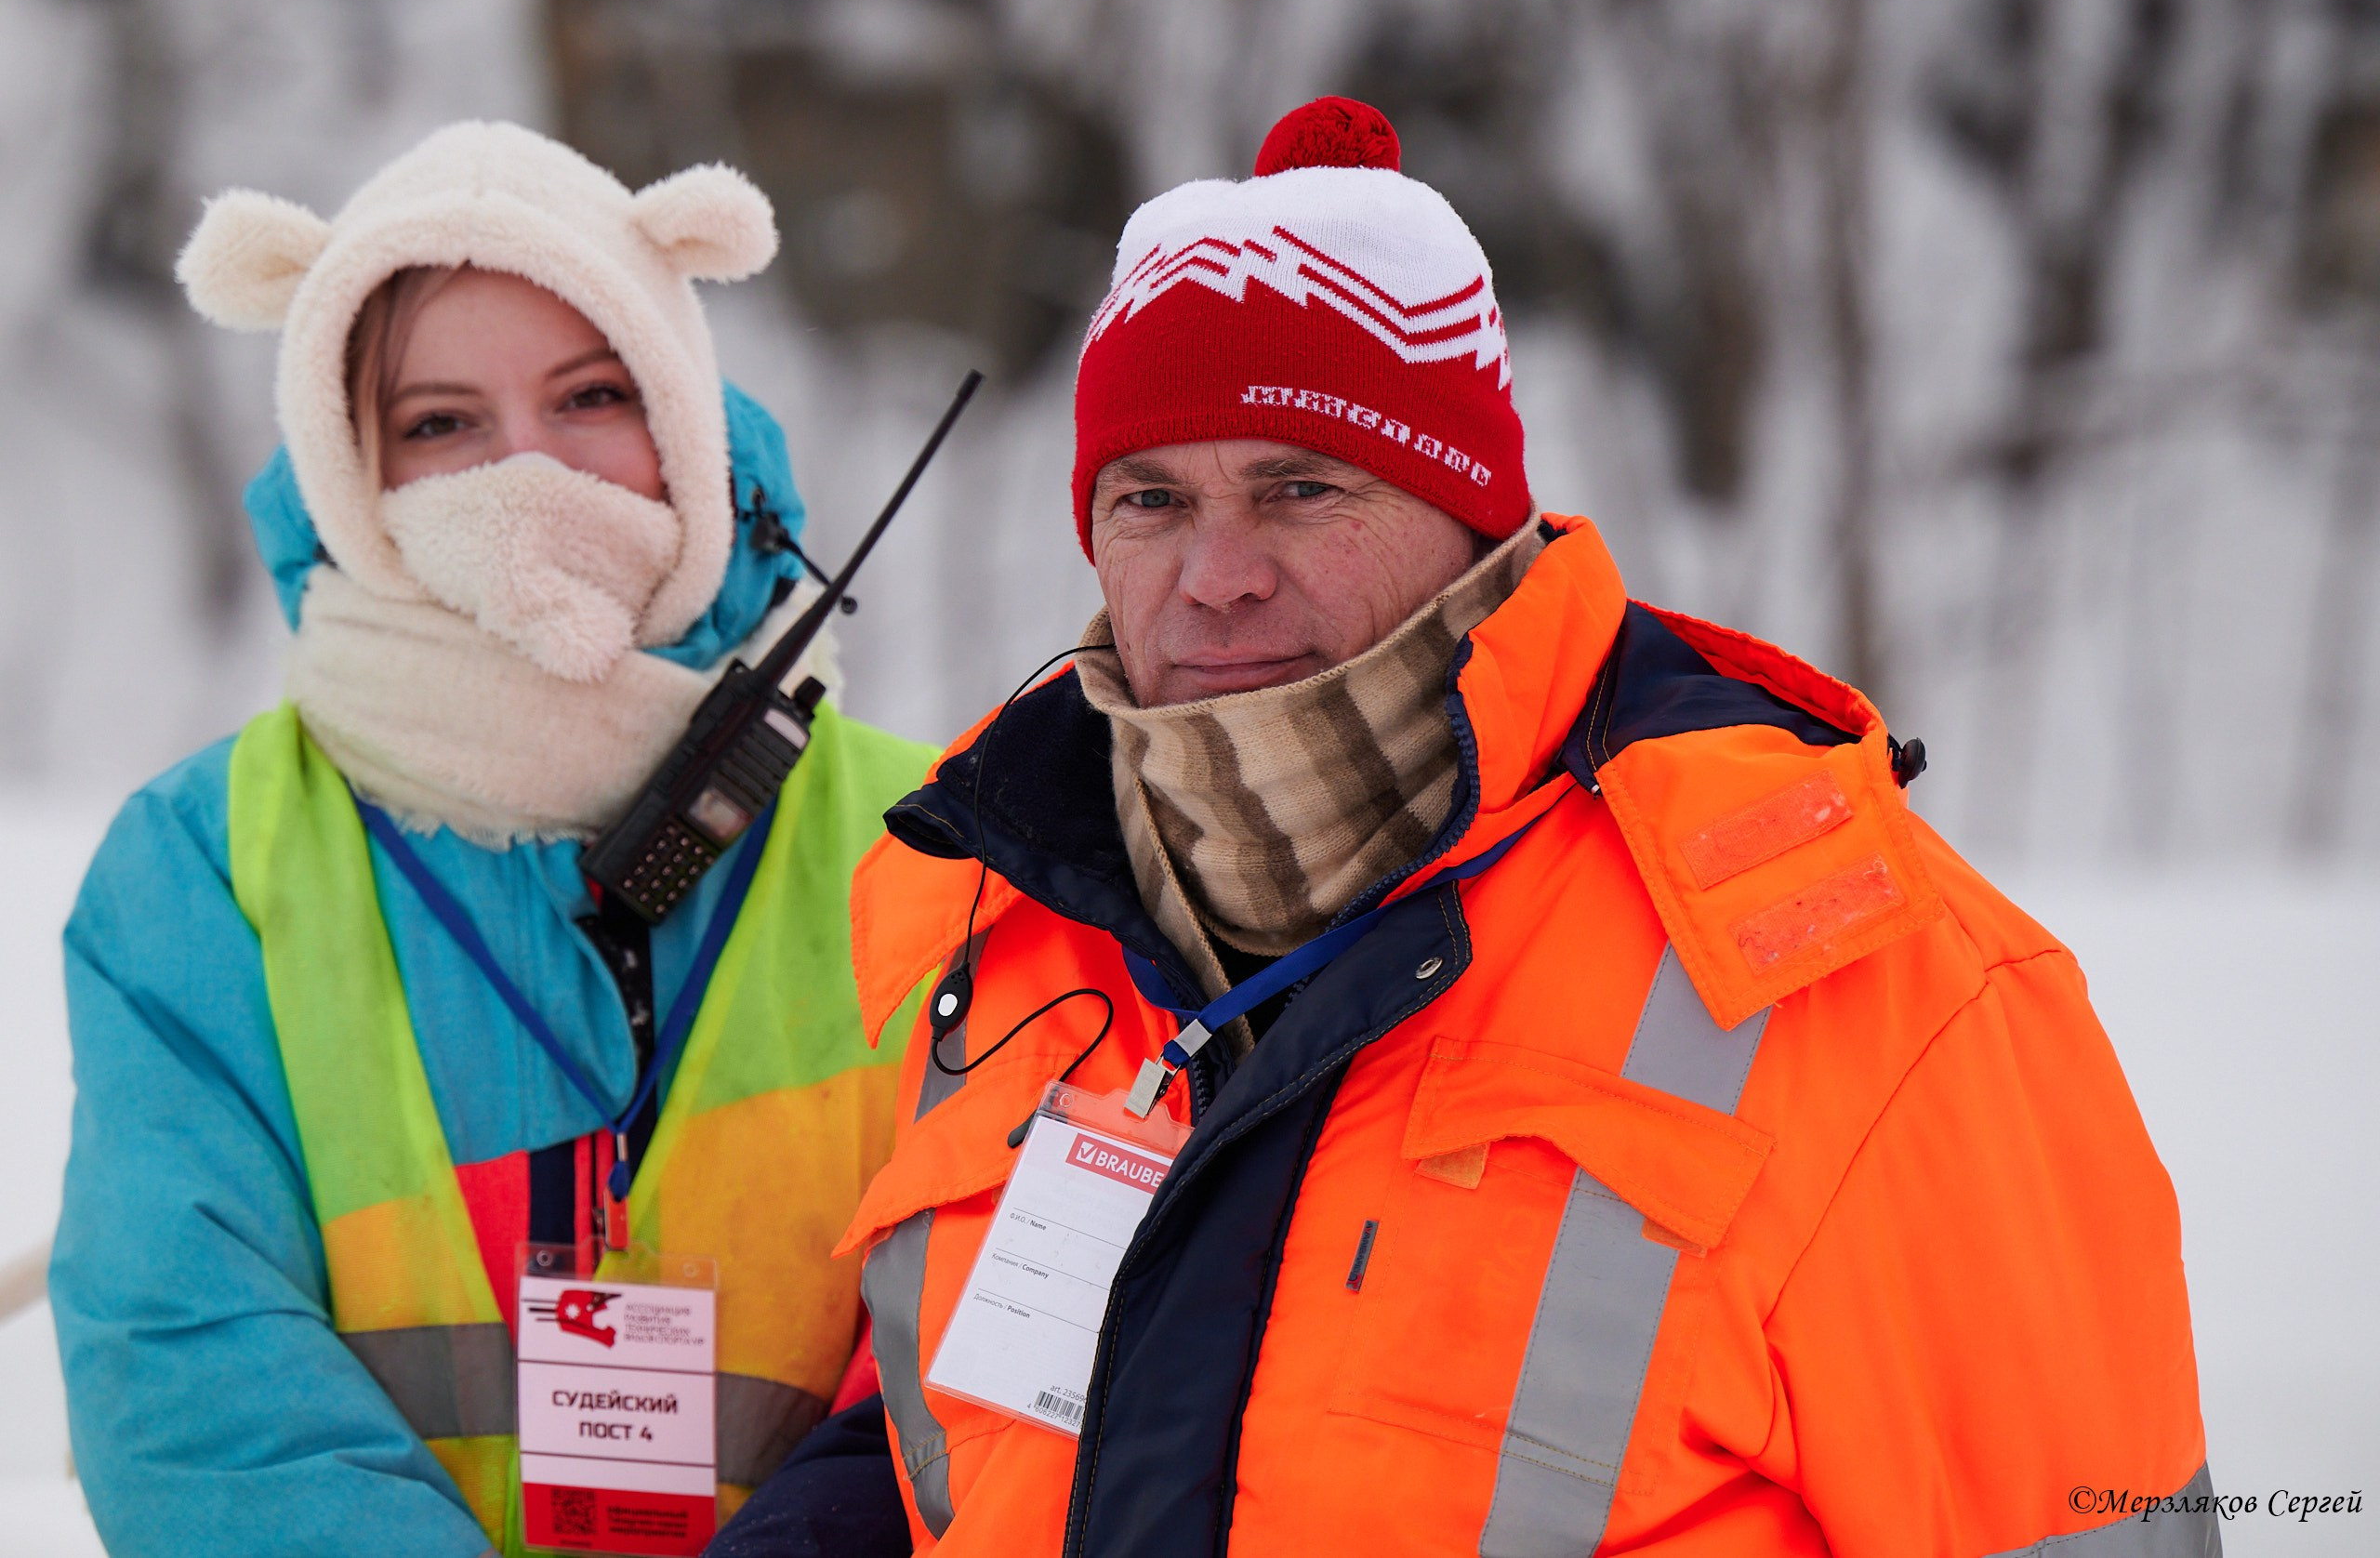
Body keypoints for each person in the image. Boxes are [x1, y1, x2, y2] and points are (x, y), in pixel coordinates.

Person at [798, 98, 2217, 1556]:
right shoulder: (1005, 921)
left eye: (1302, 487)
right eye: (1151, 498)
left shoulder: (1860, 973)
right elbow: (950, 1450)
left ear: (1474, 521)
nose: (1215, 573)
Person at [51, 122, 934, 1558]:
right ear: (353, 473)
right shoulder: (202, 868)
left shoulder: (935, 842)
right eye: (441, 424)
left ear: (683, 426)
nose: (527, 474)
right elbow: (189, 1377)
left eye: (590, 395)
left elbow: (986, 1362)